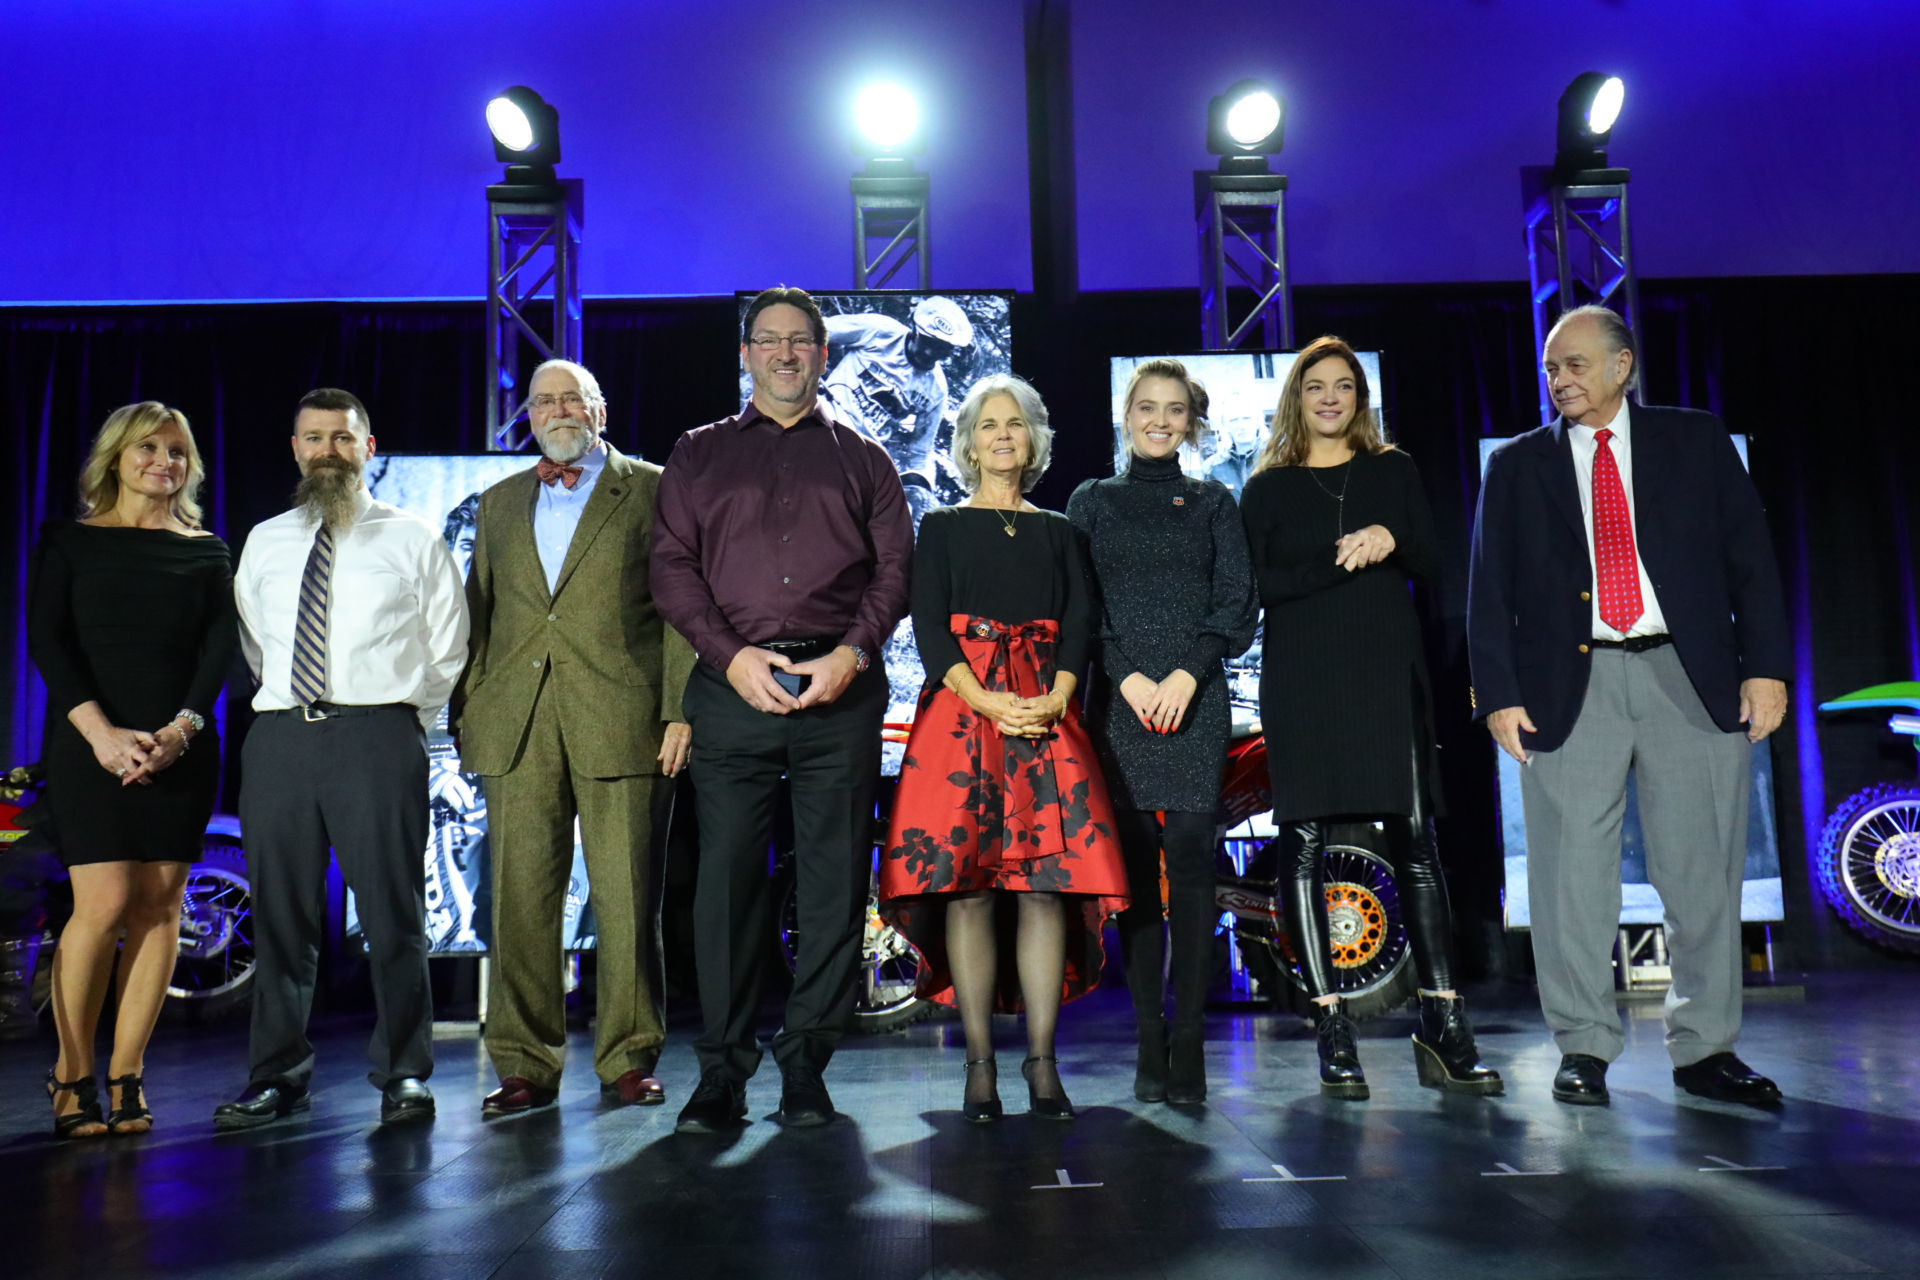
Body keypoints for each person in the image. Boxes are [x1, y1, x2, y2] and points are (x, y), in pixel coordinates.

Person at [1468, 305, 1790, 1109]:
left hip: (1689, 675)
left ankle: (1705, 1049)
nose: (1560, 379)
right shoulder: (1515, 466)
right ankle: (1583, 1046)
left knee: (1702, 872)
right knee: (1570, 879)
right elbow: (1488, 593)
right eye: (1551, 367)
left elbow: (1751, 561)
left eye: (1575, 364)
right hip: (1568, 687)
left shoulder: (1695, 440)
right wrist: (1498, 696)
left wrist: (1768, 671)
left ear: (1623, 366)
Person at [652, 286, 913, 1132]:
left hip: (839, 693)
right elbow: (671, 571)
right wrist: (730, 660)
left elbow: (895, 571)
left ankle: (807, 1064)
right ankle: (722, 1072)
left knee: (834, 884)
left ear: (822, 355)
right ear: (746, 354)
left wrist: (851, 652)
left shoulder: (867, 457)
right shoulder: (697, 454)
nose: (786, 354)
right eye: (769, 341)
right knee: (725, 887)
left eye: (801, 341)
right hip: (733, 696)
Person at [1242, 336, 1501, 1101]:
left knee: (1417, 841)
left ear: (1361, 397)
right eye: (1316, 385)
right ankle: (1332, 1026)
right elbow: (1260, 587)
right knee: (1305, 847)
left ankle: (1445, 1023)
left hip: (1389, 680)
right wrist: (1339, 558)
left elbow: (1431, 560)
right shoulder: (1266, 489)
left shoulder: (1394, 469)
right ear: (1296, 397)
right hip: (1306, 683)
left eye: (1344, 386)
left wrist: (1392, 537)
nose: (1330, 398)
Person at [216, 388, 468, 1129]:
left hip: (378, 735)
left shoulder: (413, 535)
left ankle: (404, 1074)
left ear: (368, 447)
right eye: (314, 437)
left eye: (343, 437)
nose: (329, 449)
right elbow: (257, 643)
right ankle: (277, 1076)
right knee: (282, 920)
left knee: (394, 916)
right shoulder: (265, 539)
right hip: (282, 741)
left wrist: (399, 720)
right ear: (296, 448)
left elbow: (448, 646)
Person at [881, 374, 1129, 1123]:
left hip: (1047, 715)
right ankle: (980, 1068)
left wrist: (1054, 696)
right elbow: (929, 629)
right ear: (968, 443)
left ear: (1033, 441)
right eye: (987, 425)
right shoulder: (944, 526)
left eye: (1013, 425)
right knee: (971, 886)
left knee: (1047, 884)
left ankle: (1044, 1066)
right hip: (964, 715)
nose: (1000, 436)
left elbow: (1079, 623)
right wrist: (989, 700)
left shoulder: (1059, 531)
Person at [452, 358, 694, 1117]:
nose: (559, 410)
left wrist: (681, 709)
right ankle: (524, 1064)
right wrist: (467, 712)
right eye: (544, 400)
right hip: (516, 723)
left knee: (627, 899)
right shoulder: (495, 503)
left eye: (573, 398)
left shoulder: (656, 488)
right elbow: (477, 617)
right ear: (526, 414)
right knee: (519, 901)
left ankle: (628, 1058)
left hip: (625, 720)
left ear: (601, 409)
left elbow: (683, 609)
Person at [27, 403, 236, 1137]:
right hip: (90, 744)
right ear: (115, 457)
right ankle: (71, 1073)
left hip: (178, 747)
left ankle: (127, 1076)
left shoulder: (208, 550)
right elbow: (48, 643)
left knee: (161, 905)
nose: (163, 462)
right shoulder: (70, 540)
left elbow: (218, 655)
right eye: (147, 447)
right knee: (105, 902)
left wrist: (181, 730)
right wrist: (103, 735)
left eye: (177, 451)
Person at [1067, 359, 1255, 1105]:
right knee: (1138, 874)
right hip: (1119, 701)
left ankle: (1190, 1042)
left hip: (1195, 699)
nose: (1159, 419)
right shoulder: (1092, 500)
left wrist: (1185, 675)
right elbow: (1081, 603)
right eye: (1147, 407)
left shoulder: (1213, 502)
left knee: (1191, 861)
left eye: (1174, 410)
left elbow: (1237, 598)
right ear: (1126, 414)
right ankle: (1150, 1035)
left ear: (1192, 422)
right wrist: (1129, 675)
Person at [820, 297, 975, 504]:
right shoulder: (881, 332)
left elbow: (920, 451)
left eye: (939, 349)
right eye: (927, 342)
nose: (929, 352)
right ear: (914, 329)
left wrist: (919, 490)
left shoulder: (936, 390)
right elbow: (818, 331)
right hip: (827, 415)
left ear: (948, 352)